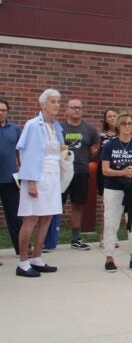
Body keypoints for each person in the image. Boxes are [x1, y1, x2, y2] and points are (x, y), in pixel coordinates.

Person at [15, 89, 64, 277]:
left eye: (58, 101)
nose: (57, 105)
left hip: (53, 176)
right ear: (43, 104)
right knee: (31, 218)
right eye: (53, 101)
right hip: (36, 176)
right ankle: (23, 262)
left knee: (47, 218)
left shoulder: (55, 126)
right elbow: (26, 154)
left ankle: (37, 257)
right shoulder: (34, 125)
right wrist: (31, 182)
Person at [100, 112, 132, 273]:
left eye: (130, 123)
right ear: (117, 126)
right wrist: (122, 173)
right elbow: (105, 170)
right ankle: (109, 257)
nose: (127, 126)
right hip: (113, 189)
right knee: (111, 222)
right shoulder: (110, 145)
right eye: (123, 124)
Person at [60, 98, 99, 251]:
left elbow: (95, 146)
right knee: (56, 205)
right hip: (61, 172)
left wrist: (95, 151)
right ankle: (48, 240)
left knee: (77, 204)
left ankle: (76, 239)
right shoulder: (59, 128)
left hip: (81, 171)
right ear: (67, 110)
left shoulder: (89, 129)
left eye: (79, 108)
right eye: (74, 107)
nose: (77, 110)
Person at [0, 98, 22, 259]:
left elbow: (21, 152)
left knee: (15, 216)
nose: (1, 113)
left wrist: (23, 169)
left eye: (3, 110)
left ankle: (21, 249)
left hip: (10, 179)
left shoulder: (14, 129)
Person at [97, 107, 119, 249]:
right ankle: (104, 236)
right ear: (105, 119)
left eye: (114, 116)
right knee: (108, 205)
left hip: (121, 171)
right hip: (105, 171)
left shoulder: (126, 134)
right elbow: (96, 153)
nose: (112, 118)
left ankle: (114, 235)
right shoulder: (101, 135)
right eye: (109, 116)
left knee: (119, 205)